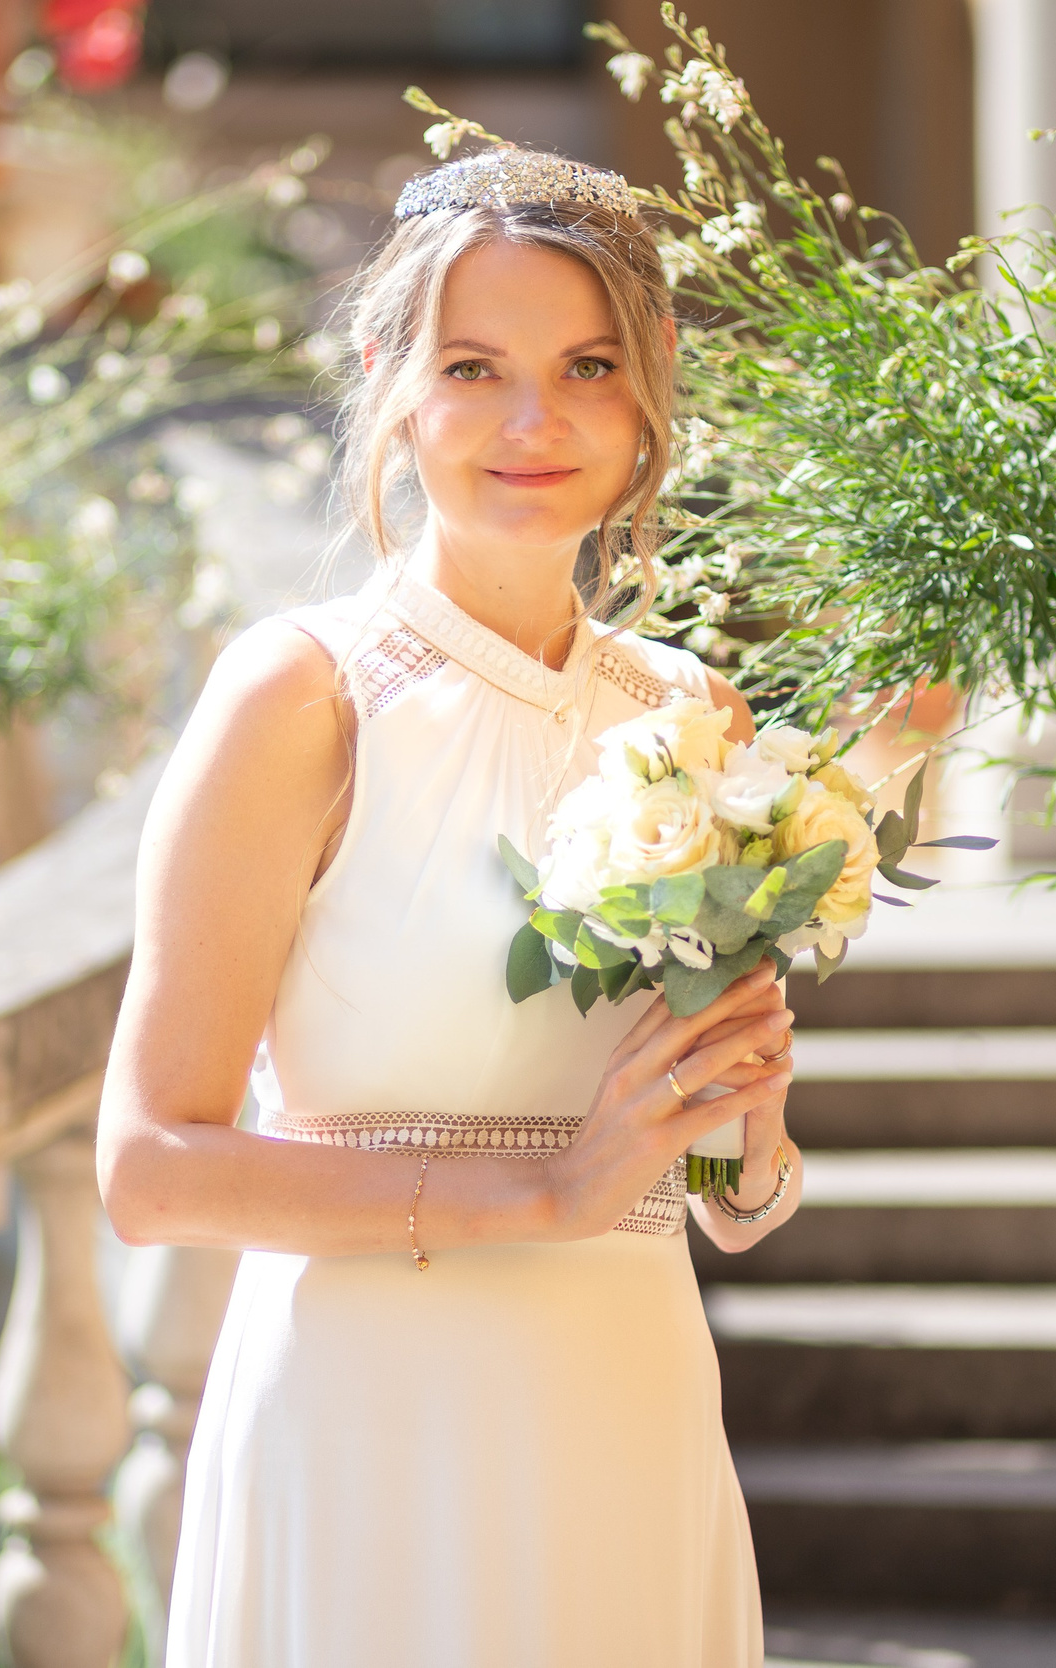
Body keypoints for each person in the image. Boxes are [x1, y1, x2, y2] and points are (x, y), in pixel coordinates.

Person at [97, 144, 805, 1668]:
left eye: (586, 365)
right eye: (474, 367)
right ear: (390, 378)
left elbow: (712, 1188)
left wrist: (748, 1126)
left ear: (649, 388)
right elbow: (149, 1170)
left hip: (630, 1403)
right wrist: (532, 1196)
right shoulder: (301, 697)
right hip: (370, 1429)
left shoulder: (694, 713)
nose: (534, 422)